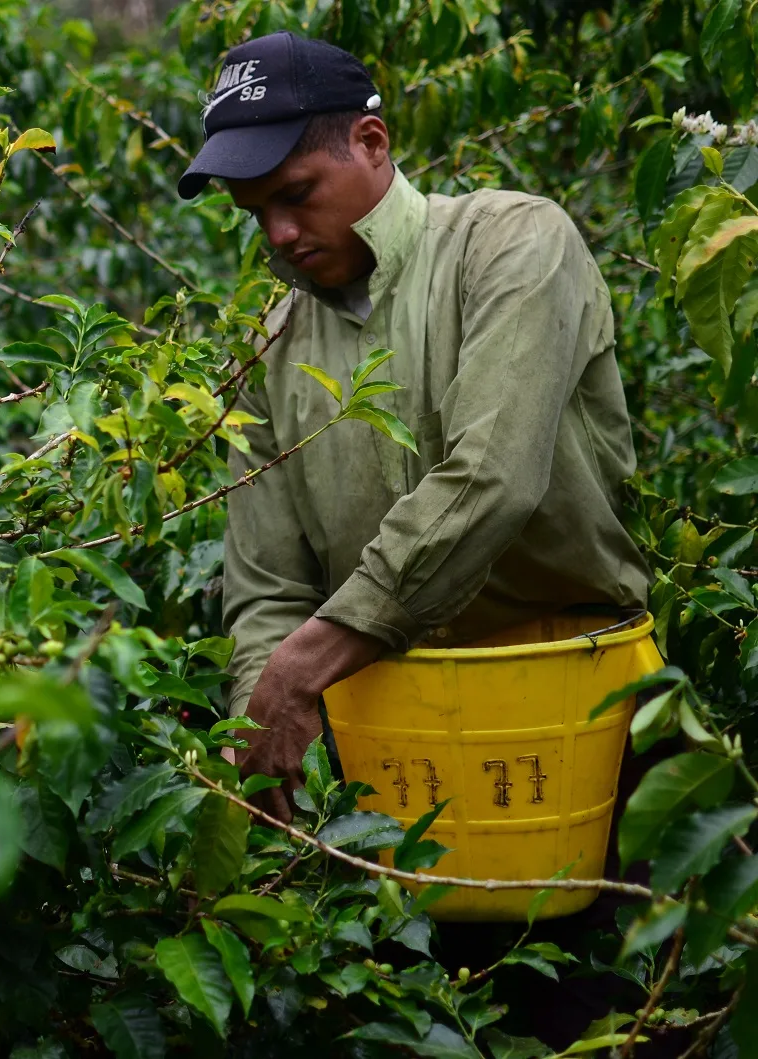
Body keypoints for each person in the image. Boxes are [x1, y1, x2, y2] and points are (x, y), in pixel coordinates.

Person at [180, 31, 664, 1051]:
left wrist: (310, 661)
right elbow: (265, 585)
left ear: (371, 141)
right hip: (395, 783)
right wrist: (264, 746)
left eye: (294, 192)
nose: (275, 231)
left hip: (577, 732)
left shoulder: (514, 245)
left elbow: (491, 478)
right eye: (251, 212)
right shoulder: (273, 351)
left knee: (609, 1020)